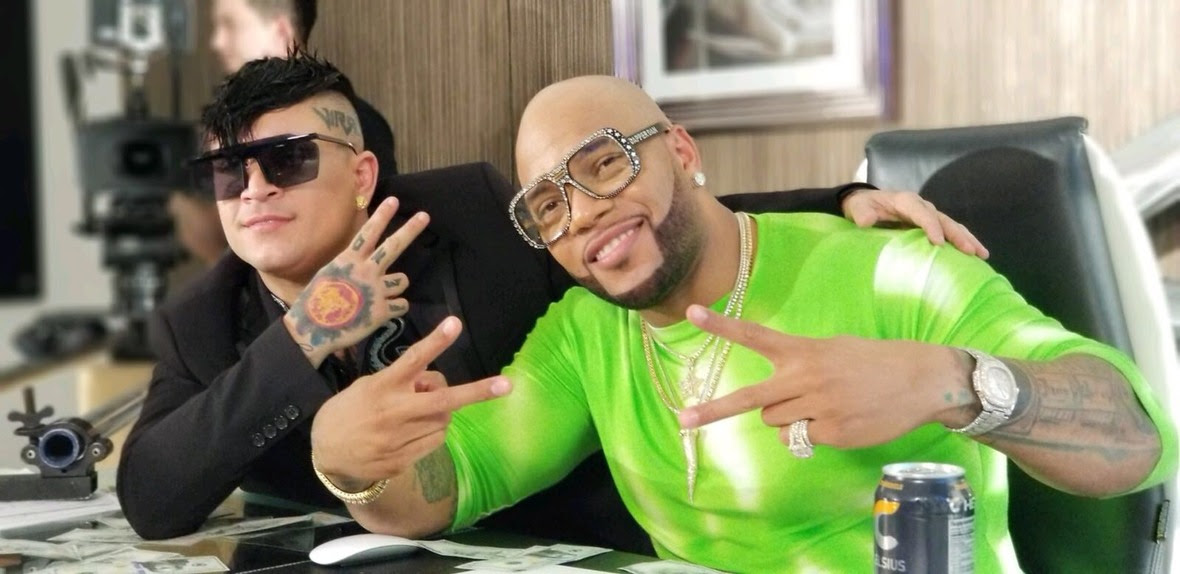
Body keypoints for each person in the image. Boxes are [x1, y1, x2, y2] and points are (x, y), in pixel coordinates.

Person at [116, 54, 982, 547]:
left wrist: (835, 200)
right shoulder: (203, 319)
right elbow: (154, 498)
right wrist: (306, 334)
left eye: (287, 159)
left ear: (363, 174)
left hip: (577, 546)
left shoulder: (470, 217)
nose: (254, 189)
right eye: (228, 172)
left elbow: (629, 233)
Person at [326, 75, 1177, 573]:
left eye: (605, 164)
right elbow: (453, 485)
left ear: (682, 152)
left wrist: (951, 382)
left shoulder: (889, 268)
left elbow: (1141, 438)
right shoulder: (588, 331)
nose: (582, 212)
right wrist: (354, 464)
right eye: (548, 206)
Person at [168, 0, 397, 269]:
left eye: (288, 160)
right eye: (229, 167)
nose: (218, 42)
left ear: (280, 31)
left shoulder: (347, 121)